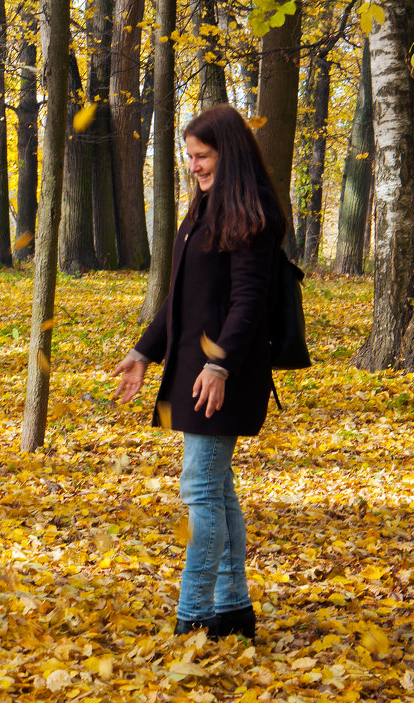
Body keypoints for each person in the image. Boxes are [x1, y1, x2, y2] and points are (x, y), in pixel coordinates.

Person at [111, 104, 286, 640]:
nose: (193, 166)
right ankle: (232, 608)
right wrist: (144, 353)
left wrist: (220, 364)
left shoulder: (251, 211)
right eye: (189, 156)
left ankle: (195, 615)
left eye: (202, 156)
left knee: (201, 490)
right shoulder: (205, 209)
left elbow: (249, 303)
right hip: (195, 371)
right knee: (216, 488)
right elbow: (181, 299)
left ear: (227, 153)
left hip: (222, 375)